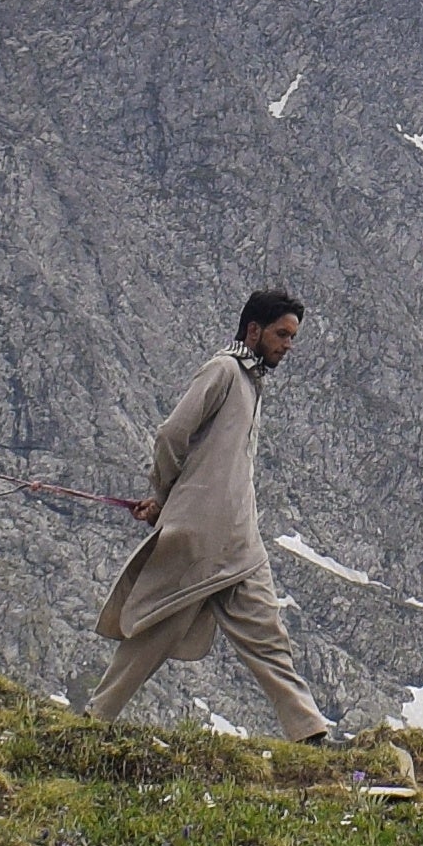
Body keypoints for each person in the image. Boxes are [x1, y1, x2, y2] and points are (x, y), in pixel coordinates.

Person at [84, 288, 349, 742]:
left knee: (265, 636)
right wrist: (164, 496)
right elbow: (172, 434)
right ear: (254, 330)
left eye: (293, 337)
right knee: (159, 630)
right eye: (282, 334)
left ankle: (310, 734)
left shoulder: (250, 381)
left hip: (237, 538)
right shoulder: (224, 371)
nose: (288, 344)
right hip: (203, 539)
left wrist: (166, 501)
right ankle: (95, 716)